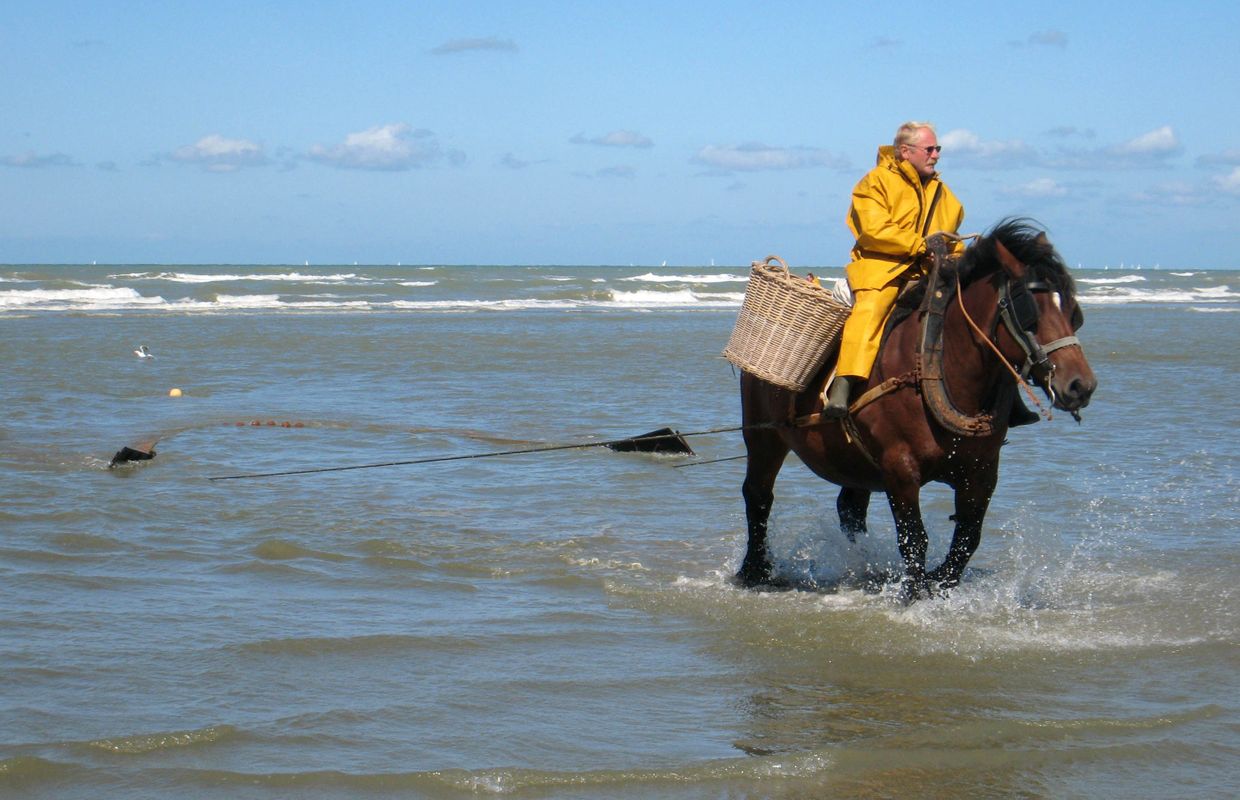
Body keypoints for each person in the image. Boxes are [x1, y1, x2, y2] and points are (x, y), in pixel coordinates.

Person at [823, 121, 962, 418]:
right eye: (930, 149)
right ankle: (842, 387)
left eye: (938, 148)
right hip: (881, 269)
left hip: (927, 273)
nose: (936, 154)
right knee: (870, 311)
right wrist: (920, 245)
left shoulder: (945, 194)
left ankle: (1002, 398)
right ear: (905, 151)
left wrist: (960, 257)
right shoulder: (875, 183)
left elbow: (952, 239)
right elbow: (873, 230)